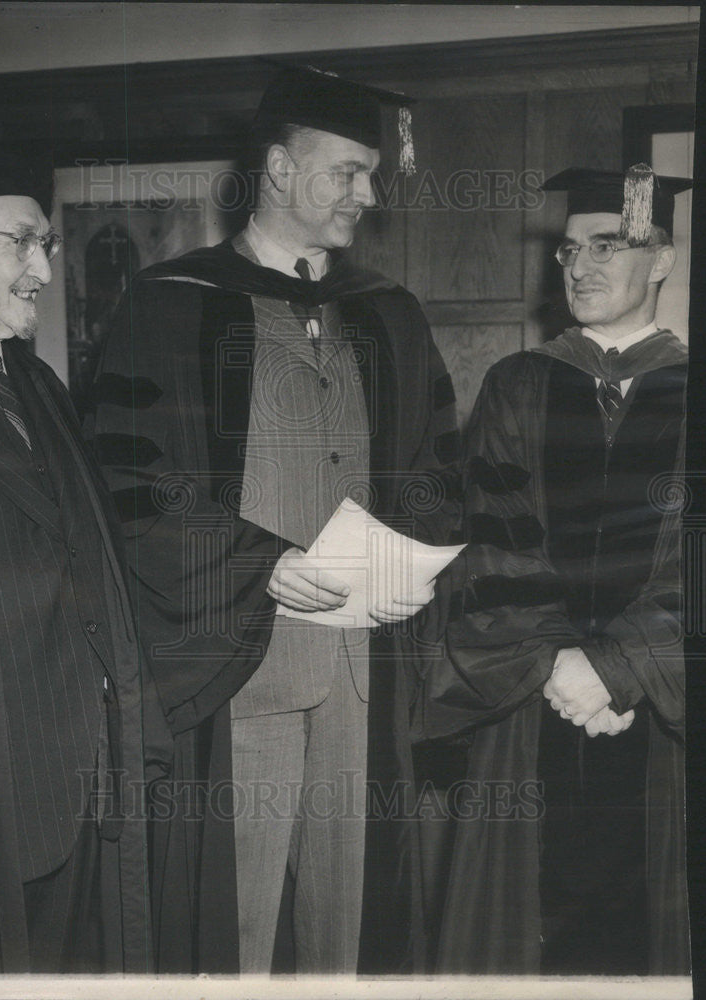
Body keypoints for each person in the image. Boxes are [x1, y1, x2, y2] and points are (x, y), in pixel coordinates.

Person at [87, 66, 461, 974]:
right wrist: (254, 560)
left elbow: (438, 466)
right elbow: (125, 479)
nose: (367, 195)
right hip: (238, 662)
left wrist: (412, 559)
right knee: (238, 921)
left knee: (355, 924)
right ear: (281, 170)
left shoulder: (389, 314)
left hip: (366, 672)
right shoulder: (170, 305)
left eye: (373, 173)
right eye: (346, 171)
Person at [0, 145, 173, 973]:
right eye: (23, 242)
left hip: (83, 786)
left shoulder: (37, 385)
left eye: (46, 244)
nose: (44, 269)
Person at [415, 164, 690, 975]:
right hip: (535, 697)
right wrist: (559, 664)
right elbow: (492, 541)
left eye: (610, 245)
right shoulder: (519, 384)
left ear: (663, 260)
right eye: (570, 249)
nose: (580, 266)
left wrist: (622, 667)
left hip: (667, 710)